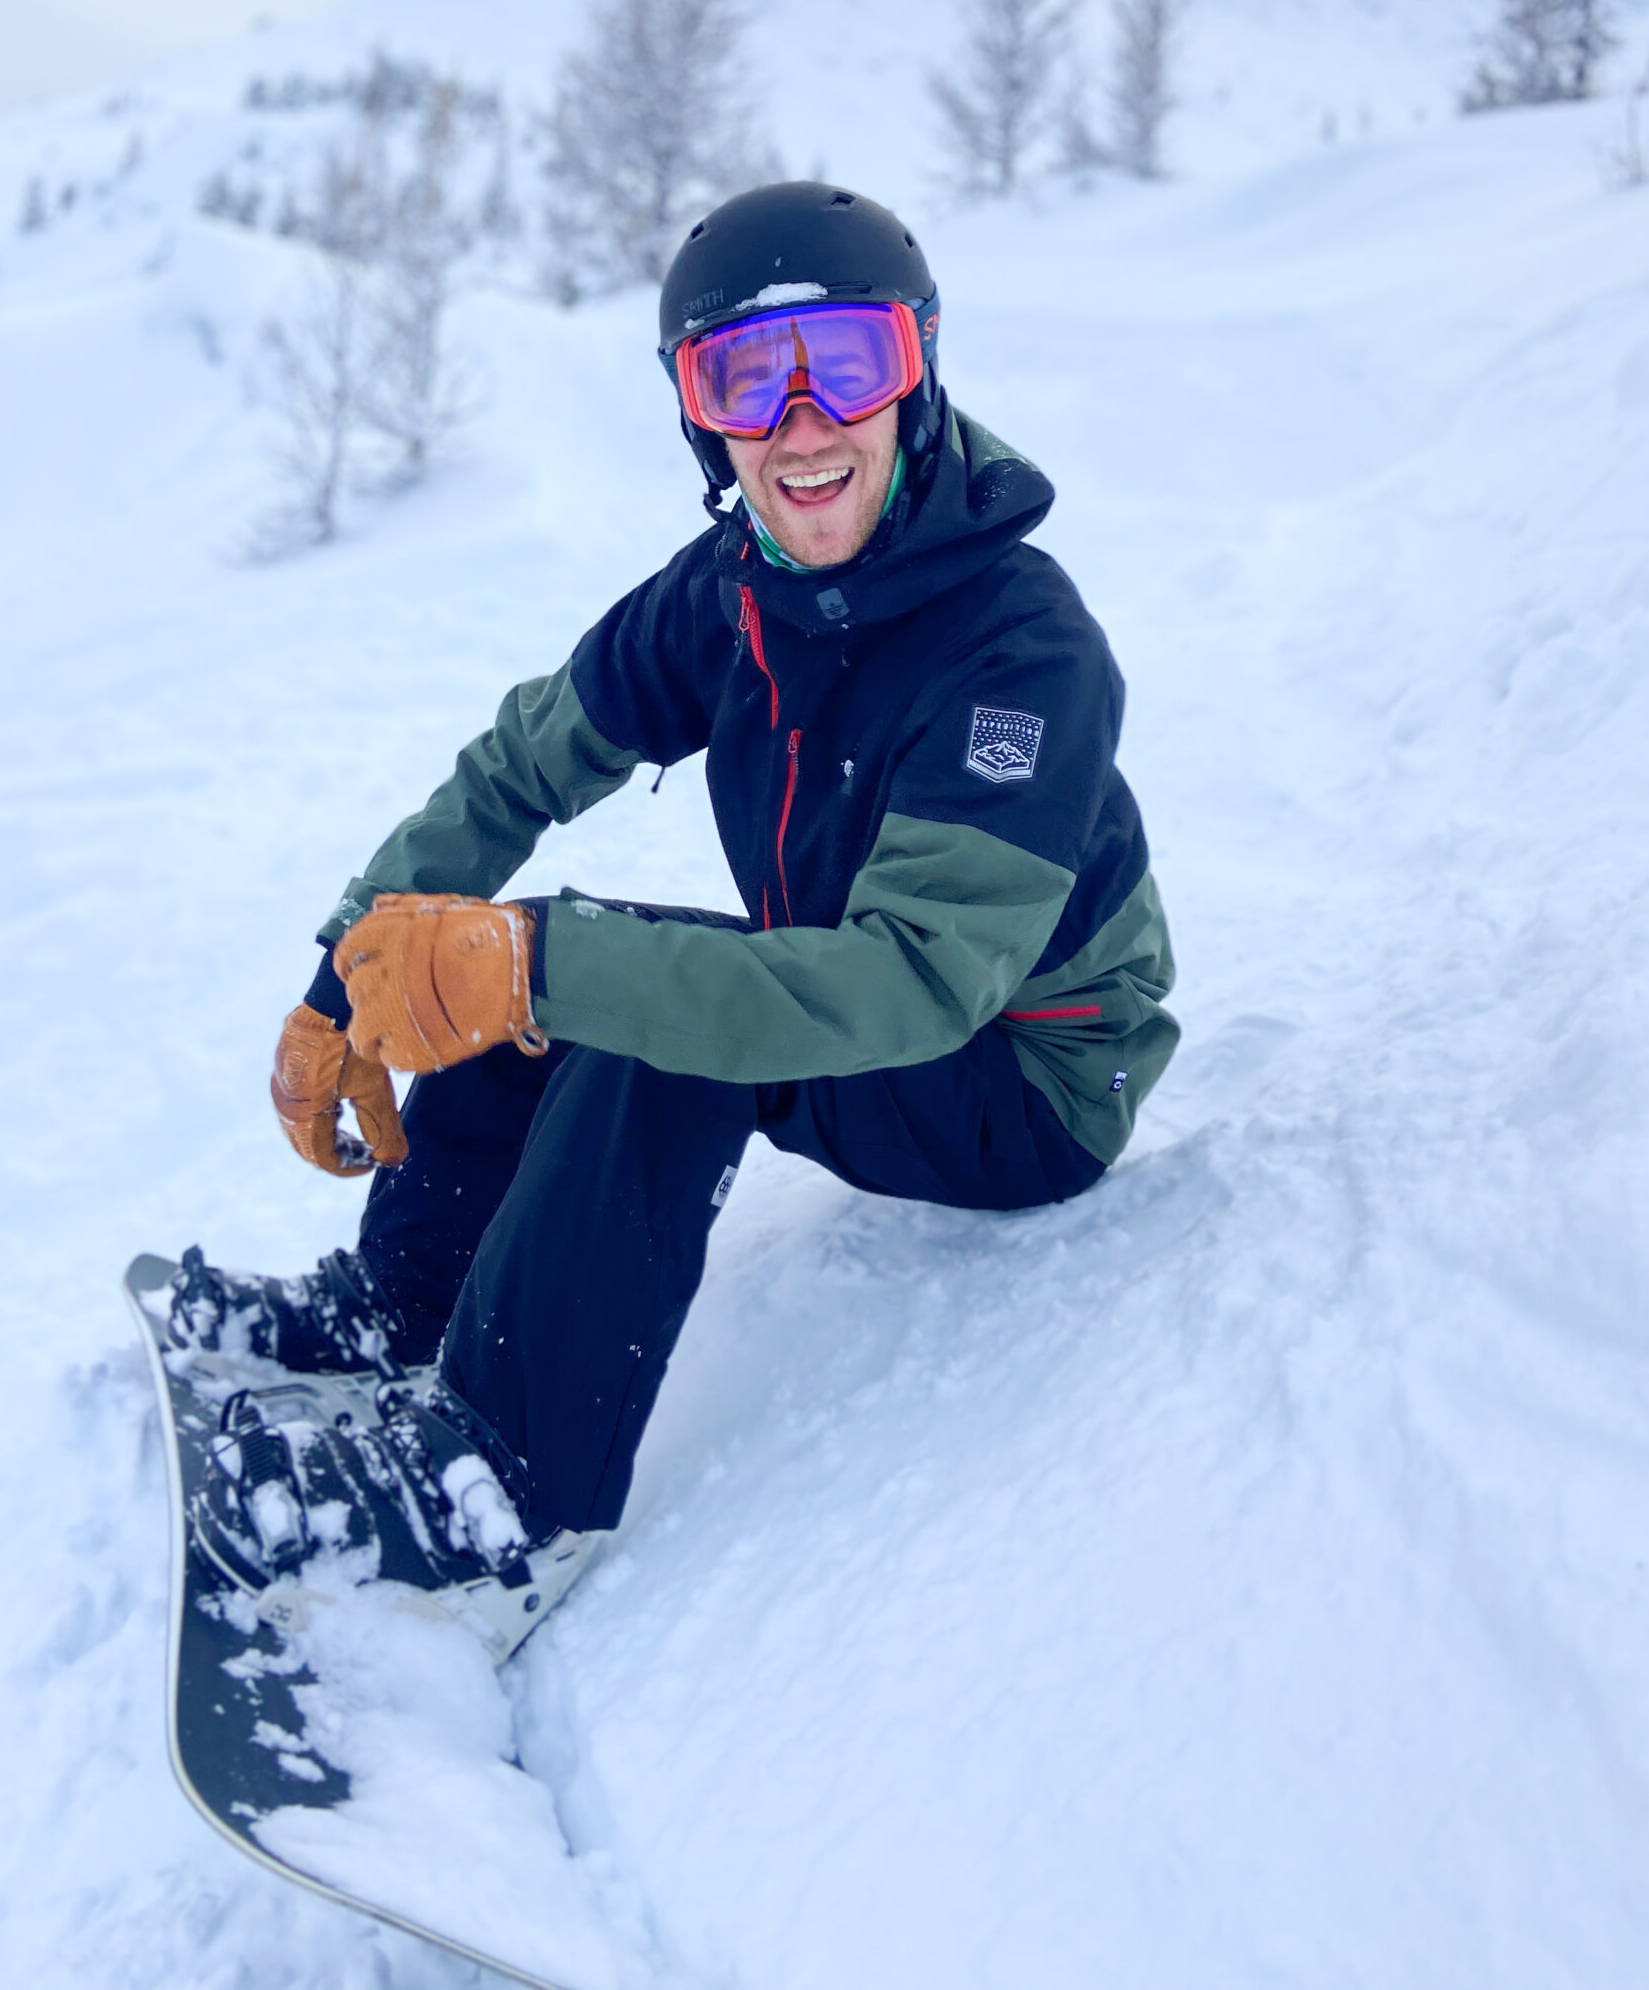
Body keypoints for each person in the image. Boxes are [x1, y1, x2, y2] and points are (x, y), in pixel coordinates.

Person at [176, 181, 1178, 1660]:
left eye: (844, 365)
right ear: (696, 414)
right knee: (547, 953)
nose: (799, 425)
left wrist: (545, 970)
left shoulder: (1021, 650)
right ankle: (398, 1312)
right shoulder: (731, 592)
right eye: (740, 380)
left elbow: (913, 987)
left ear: (918, 369)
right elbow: (524, 765)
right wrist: (345, 974)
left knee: (640, 1012)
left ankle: (496, 1496)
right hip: (885, 1012)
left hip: (1025, 1084)